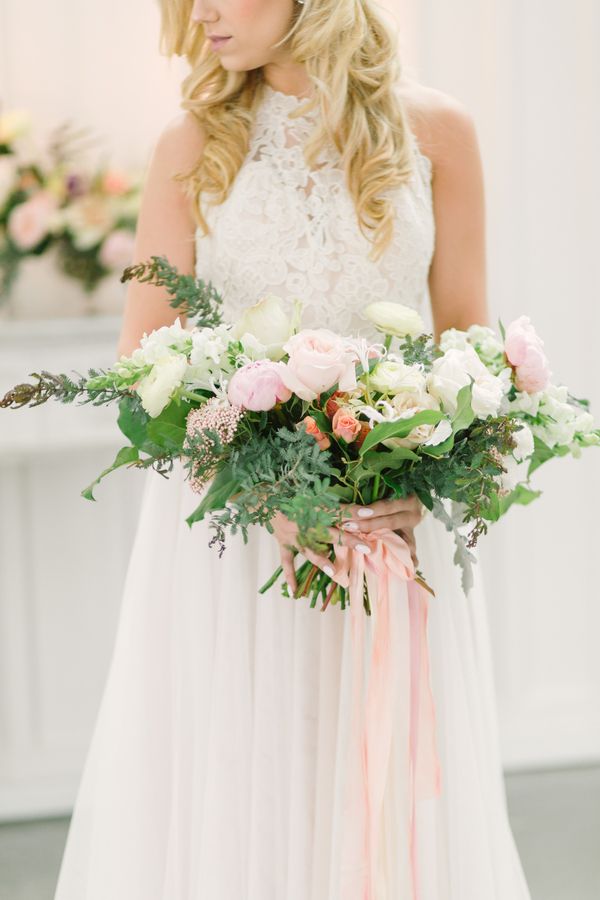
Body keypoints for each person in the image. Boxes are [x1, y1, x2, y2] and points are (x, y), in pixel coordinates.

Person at [54, 1, 533, 897]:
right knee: (244, 781)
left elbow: (469, 348)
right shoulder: (191, 143)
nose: (202, 13)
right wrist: (259, 490)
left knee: (382, 790)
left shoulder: (438, 133)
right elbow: (142, 367)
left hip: (389, 533)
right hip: (234, 537)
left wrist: (425, 484)